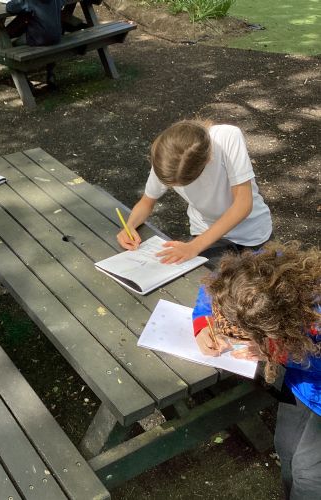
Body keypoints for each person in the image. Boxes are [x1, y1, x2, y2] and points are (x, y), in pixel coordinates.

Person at [192, 242, 321, 499]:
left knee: (309, 473)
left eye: (248, 337)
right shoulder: (260, 274)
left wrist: (281, 354)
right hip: (302, 387)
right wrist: (202, 322)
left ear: (277, 327)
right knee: (286, 448)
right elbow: (217, 286)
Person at [116, 120, 273, 269]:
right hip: (206, 233)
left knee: (261, 284)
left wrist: (194, 247)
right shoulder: (167, 158)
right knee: (207, 283)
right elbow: (146, 202)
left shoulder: (227, 137)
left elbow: (243, 205)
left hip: (253, 233)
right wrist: (129, 226)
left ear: (208, 159)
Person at [4, 0, 67, 88]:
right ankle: (50, 73)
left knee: (12, 45)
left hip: (38, 38)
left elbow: (10, 8)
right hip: (56, 36)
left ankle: (23, 79)